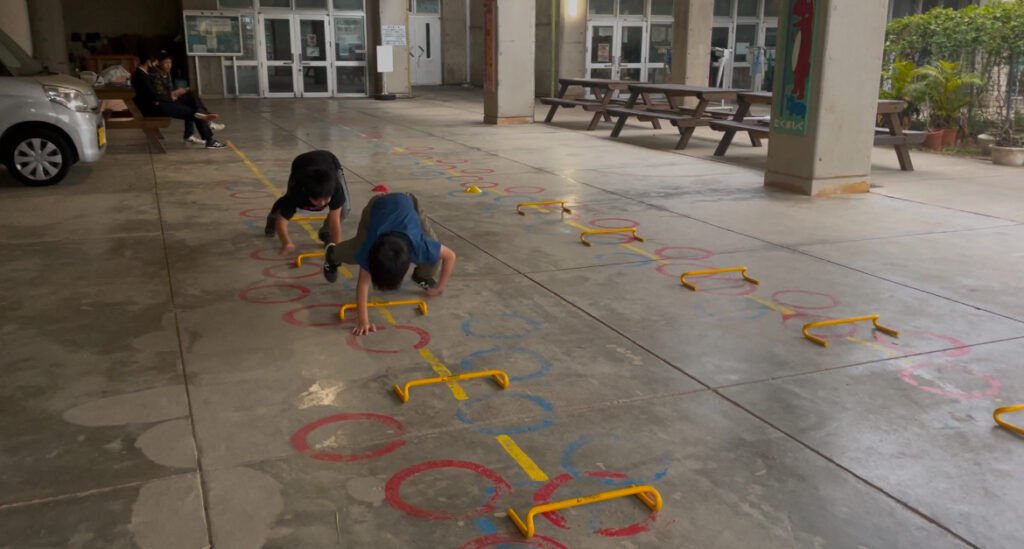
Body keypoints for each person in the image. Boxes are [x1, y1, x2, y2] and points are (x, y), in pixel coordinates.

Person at [322, 192, 456, 336]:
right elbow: (363, 284)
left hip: (409, 202)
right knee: (356, 249)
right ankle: (333, 253)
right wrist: (363, 321)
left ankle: (422, 276)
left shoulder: (420, 247)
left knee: (434, 257)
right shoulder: (372, 249)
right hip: (377, 206)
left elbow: (450, 256)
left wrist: (440, 287)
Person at [130, 49, 224, 149]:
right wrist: (171, 96)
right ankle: (209, 137)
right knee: (193, 112)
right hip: (155, 108)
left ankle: (205, 119)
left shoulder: (144, 74)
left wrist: (173, 95)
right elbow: (153, 95)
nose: (157, 63)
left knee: (190, 96)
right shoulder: (141, 76)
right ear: (149, 62)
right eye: (155, 61)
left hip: (160, 103)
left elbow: (155, 95)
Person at [265, 150, 351, 255]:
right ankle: (272, 217)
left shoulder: (335, 189)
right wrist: (286, 242)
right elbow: (282, 222)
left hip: (330, 160)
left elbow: (335, 221)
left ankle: (325, 232)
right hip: (301, 163)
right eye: (317, 200)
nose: (322, 204)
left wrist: (337, 249)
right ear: (307, 194)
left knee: (344, 210)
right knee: (284, 206)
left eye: (326, 199)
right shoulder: (297, 192)